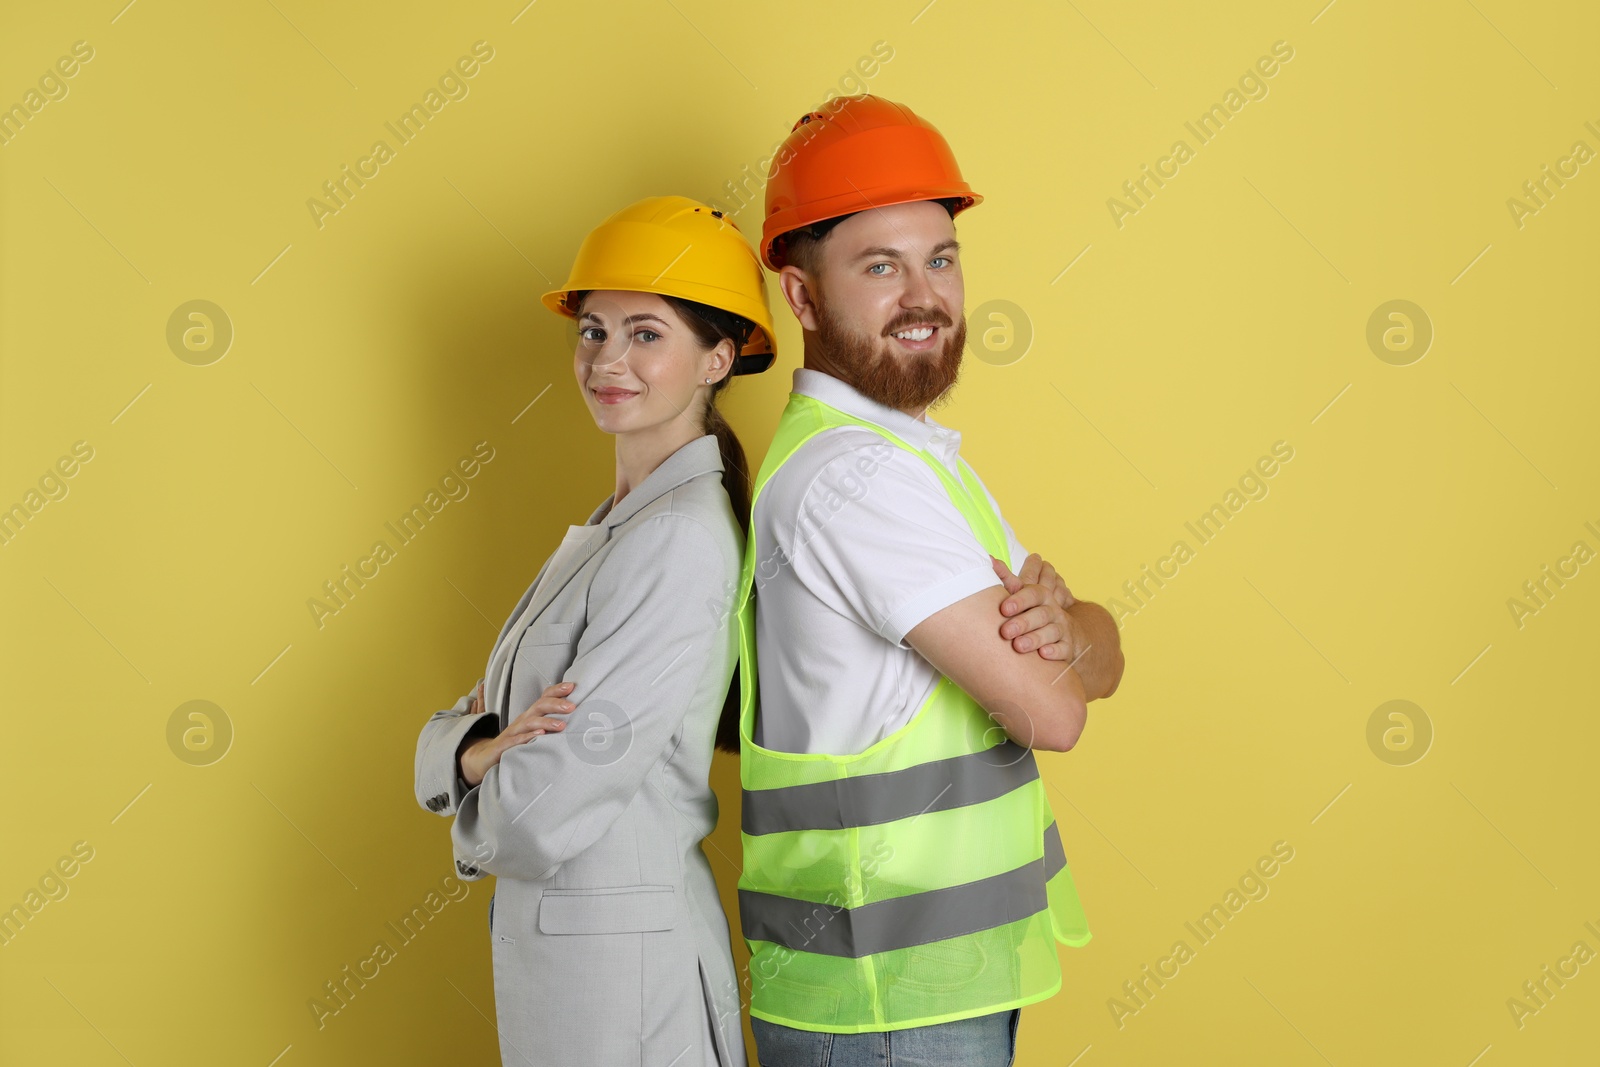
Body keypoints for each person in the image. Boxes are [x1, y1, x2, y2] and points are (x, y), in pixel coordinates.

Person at [732, 95, 1127, 1065]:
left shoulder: (914, 459)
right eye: (879, 266)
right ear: (801, 295)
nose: (924, 294)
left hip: (925, 985)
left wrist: (1067, 626)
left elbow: (1102, 649)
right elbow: (1059, 713)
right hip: (881, 1001)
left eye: (939, 258)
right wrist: (1062, 640)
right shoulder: (853, 480)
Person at [413, 195, 776, 1067]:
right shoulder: (618, 525)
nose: (607, 359)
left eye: (646, 334)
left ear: (717, 357)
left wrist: (474, 766)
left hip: (625, 981)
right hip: (583, 969)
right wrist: (471, 754)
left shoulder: (680, 538)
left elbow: (544, 808)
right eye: (593, 332)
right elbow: (486, 731)